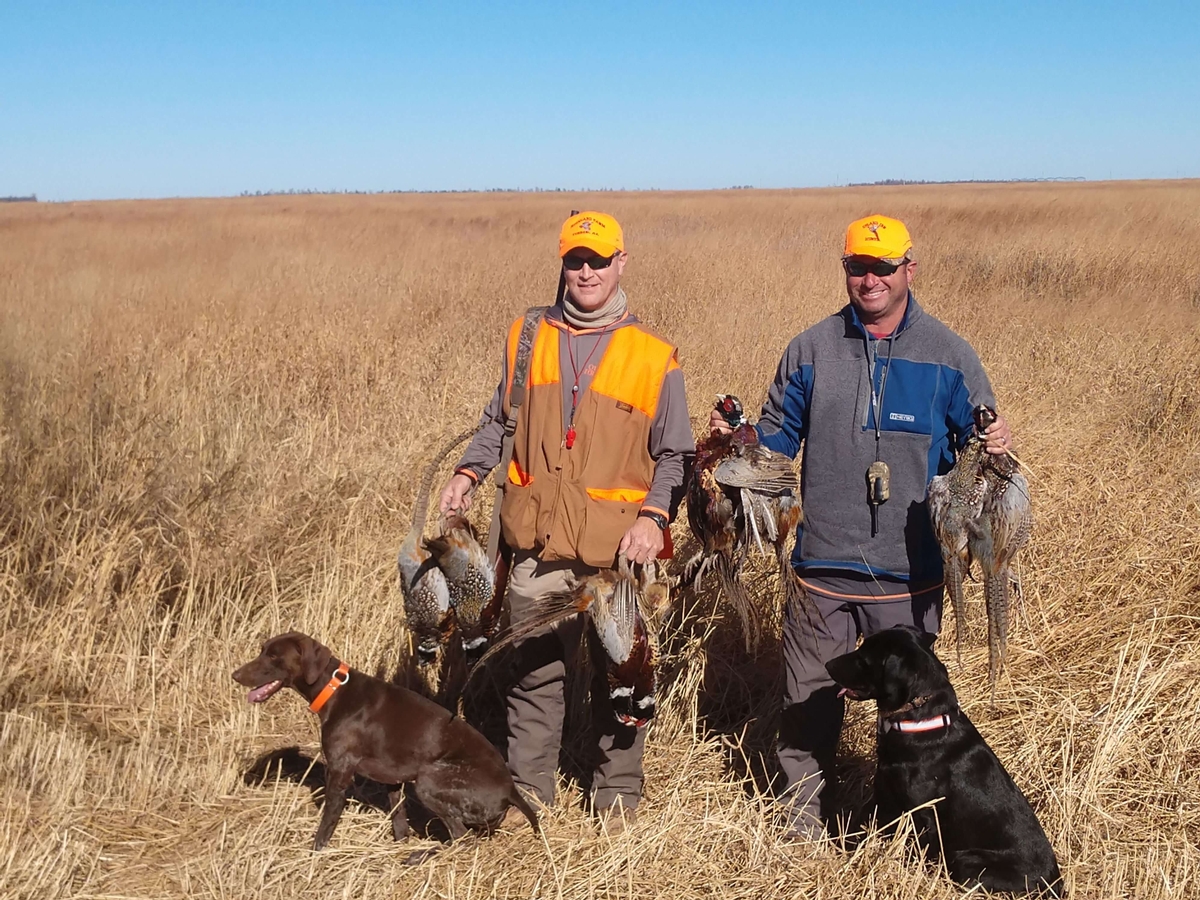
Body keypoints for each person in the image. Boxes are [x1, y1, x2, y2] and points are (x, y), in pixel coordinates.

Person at [709, 214, 1013, 840]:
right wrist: (736, 442)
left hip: (912, 575)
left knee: (915, 720)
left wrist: (996, 446)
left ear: (909, 268)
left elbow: (976, 452)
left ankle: (906, 835)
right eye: (857, 266)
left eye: (882, 266)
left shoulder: (950, 357)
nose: (869, 278)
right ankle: (804, 829)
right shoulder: (811, 349)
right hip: (822, 566)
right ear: (844, 269)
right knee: (806, 706)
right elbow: (776, 441)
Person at [441, 211, 694, 830]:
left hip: (617, 555)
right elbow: (497, 425)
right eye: (576, 260)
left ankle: (616, 805)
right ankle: (530, 794)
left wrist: (655, 519)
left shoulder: (653, 357)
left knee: (622, 680)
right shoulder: (527, 339)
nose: (586, 271)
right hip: (535, 542)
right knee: (533, 676)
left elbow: (677, 454)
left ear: (621, 263)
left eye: (599, 260)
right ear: (562, 263)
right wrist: (468, 474)